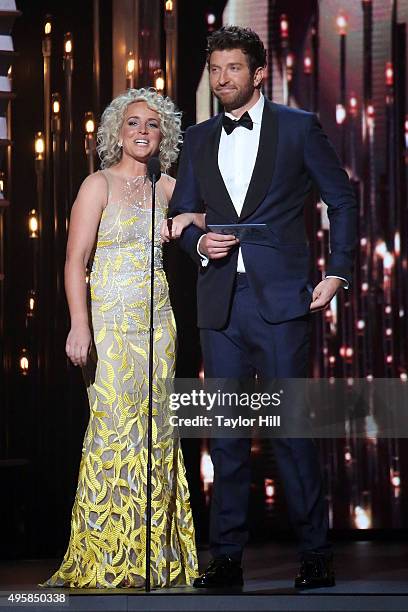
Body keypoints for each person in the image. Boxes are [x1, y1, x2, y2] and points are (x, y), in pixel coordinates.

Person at [166, 26, 357, 589]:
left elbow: (340, 199)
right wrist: (199, 243)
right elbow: (180, 218)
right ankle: (226, 559)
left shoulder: (298, 129)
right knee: (224, 436)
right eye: (215, 69)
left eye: (233, 68)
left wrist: (338, 272)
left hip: (281, 301)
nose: (222, 78)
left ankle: (316, 555)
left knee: (290, 431)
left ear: (257, 73)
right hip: (220, 302)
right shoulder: (198, 138)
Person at [42, 88, 203, 589]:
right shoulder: (98, 185)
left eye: (152, 125)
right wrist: (78, 324)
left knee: (157, 435)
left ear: (164, 137)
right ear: (117, 131)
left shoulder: (170, 187)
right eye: (133, 123)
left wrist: (182, 223)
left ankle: (155, 558)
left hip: (158, 326)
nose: (142, 131)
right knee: (113, 432)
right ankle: (107, 555)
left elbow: (209, 219)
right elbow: (75, 262)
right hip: (109, 326)